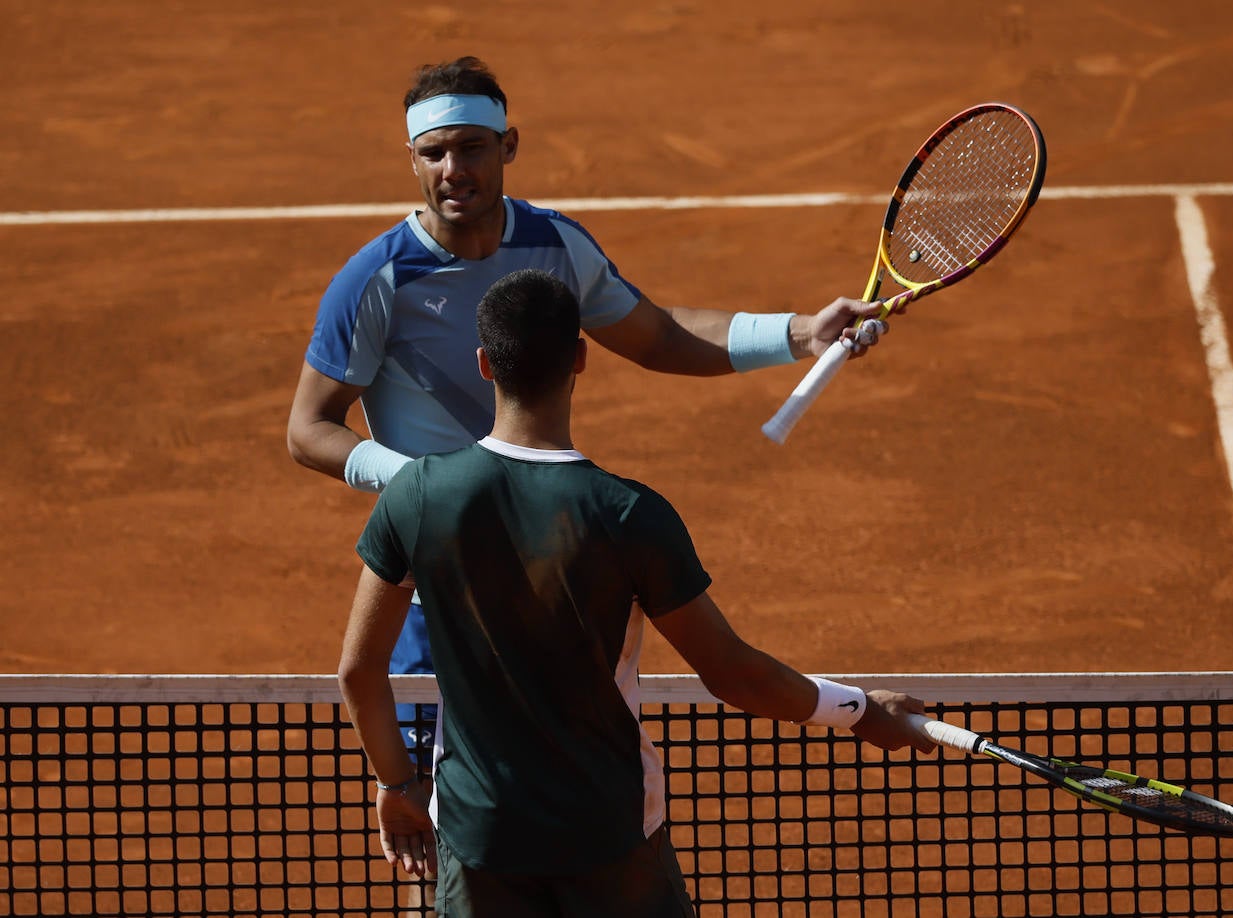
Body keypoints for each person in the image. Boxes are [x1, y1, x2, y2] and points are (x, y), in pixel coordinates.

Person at [290, 55, 892, 773]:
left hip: (547, 565)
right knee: (431, 802)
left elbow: (659, 335)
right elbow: (309, 429)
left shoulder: (554, 246)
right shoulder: (378, 279)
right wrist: (421, 484)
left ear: (507, 145)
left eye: (472, 147)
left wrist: (800, 333)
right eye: (433, 152)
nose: (453, 168)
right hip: (438, 582)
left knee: (559, 768)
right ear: (413, 158)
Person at [337, 268, 932, 917]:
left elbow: (361, 670)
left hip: (482, 842)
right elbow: (731, 672)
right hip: (611, 841)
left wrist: (397, 785)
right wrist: (861, 711)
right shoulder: (628, 515)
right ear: (581, 358)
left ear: (484, 363)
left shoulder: (417, 496)